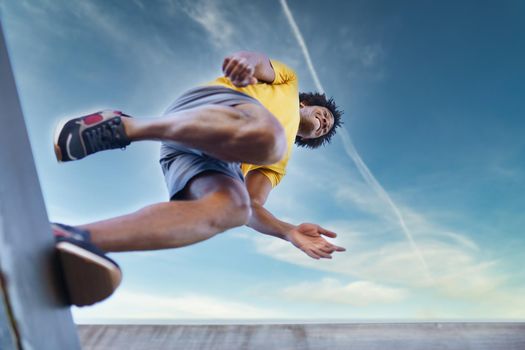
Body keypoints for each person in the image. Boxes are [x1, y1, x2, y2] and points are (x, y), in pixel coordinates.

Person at [52, 51, 345, 306]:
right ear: (306, 103)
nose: (324, 123)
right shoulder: (288, 83)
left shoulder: (279, 164)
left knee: (234, 208)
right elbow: (259, 63)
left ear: (310, 139)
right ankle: (124, 127)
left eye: (325, 128)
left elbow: (253, 206)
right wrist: (245, 63)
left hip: (198, 156)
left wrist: (288, 231)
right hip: (214, 109)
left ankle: (75, 238)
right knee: (270, 140)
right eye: (323, 115)